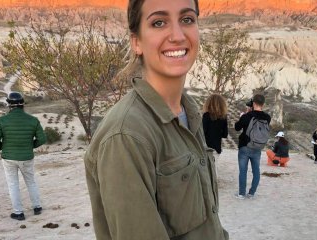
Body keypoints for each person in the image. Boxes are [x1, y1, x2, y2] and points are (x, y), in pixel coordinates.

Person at [84, 0, 229, 239]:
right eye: (159, 22)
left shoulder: (189, 114)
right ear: (137, 42)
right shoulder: (127, 136)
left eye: (187, 19)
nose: (178, 35)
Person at [0, 92, 46, 221]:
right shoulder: (33, 120)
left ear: (9, 105)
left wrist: (2, 147)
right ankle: (37, 207)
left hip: (8, 158)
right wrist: (30, 146)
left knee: (13, 184)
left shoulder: (2, 120)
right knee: (31, 182)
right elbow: (42, 139)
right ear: (23, 104)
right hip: (27, 157)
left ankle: (18, 213)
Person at [234, 94, 271, 199]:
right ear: (263, 104)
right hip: (257, 148)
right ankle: (251, 193)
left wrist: (243, 116)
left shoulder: (247, 116)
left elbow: (237, 127)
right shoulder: (267, 117)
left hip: (245, 147)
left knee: (243, 171)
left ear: (253, 103)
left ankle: (241, 193)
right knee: (256, 171)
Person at [202, 94, 228, 158]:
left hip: (206, 148)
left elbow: (202, 132)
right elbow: (225, 135)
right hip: (217, 149)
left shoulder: (206, 115)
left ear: (208, 103)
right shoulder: (224, 117)